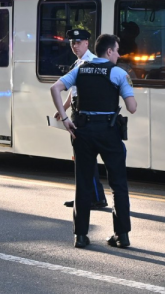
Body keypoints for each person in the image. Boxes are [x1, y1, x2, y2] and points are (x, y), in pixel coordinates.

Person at [50, 34, 137, 249]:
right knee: (118, 184)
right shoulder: (118, 73)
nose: (118, 54)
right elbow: (132, 107)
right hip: (109, 132)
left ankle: (80, 236)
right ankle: (122, 235)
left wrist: (66, 118)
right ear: (109, 51)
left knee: (83, 184)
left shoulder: (81, 68)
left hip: (83, 131)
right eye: (117, 50)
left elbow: (55, 88)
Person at [56, 29, 108, 211]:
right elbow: (74, 89)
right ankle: (86, 197)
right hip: (77, 113)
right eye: (72, 43)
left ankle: (94, 197)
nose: (74, 46)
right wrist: (64, 107)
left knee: (85, 158)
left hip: (84, 115)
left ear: (86, 42)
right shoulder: (78, 62)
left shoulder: (91, 62)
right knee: (81, 159)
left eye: (78, 42)